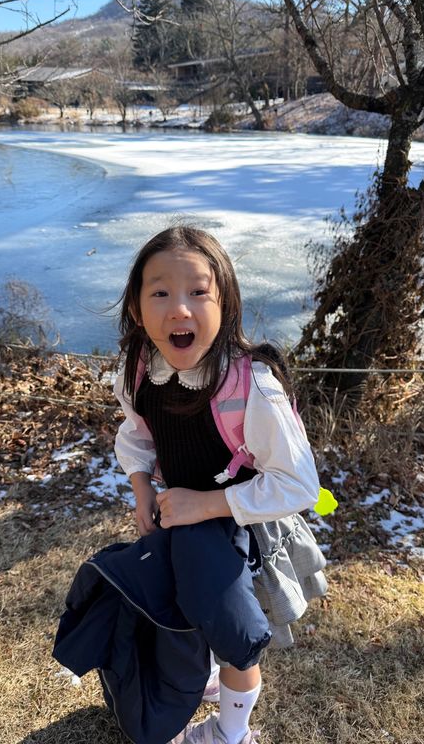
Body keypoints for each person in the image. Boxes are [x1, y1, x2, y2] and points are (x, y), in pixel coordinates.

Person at [111, 225, 327, 744]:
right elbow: (136, 435)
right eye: (160, 292)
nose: (179, 309)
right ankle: (206, 678)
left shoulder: (250, 385)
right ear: (138, 309)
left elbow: (298, 484)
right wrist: (142, 485)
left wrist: (207, 504)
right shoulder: (140, 370)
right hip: (179, 515)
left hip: (239, 521)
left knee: (236, 633)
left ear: (226, 301)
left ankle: (231, 734)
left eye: (197, 292)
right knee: (186, 602)